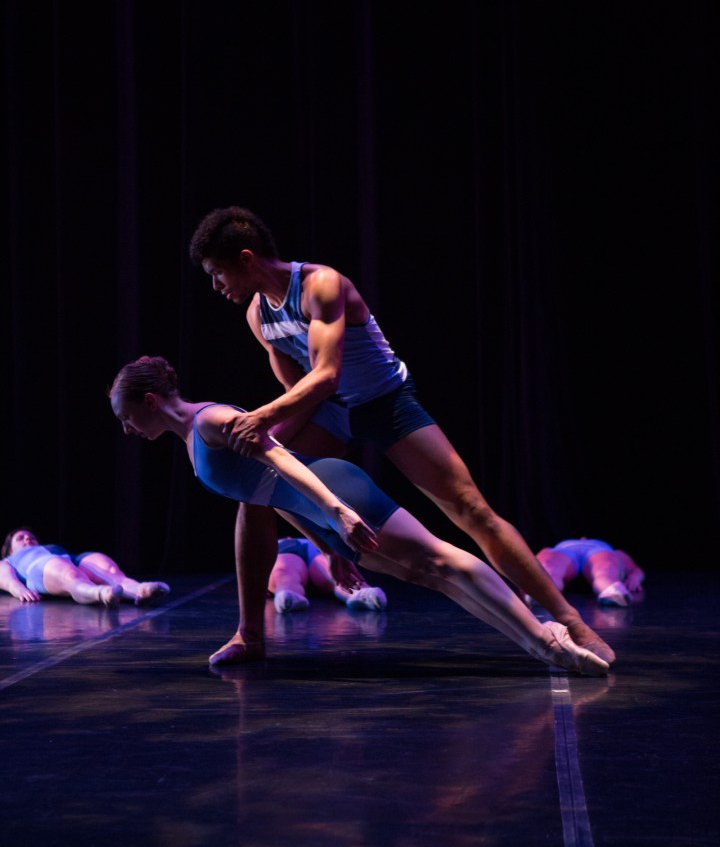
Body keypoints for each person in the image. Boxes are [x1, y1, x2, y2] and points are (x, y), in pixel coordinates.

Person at [188, 206, 615, 666]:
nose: (216, 286)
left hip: (384, 402)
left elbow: (327, 375)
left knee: (470, 509)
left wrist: (260, 418)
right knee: (255, 487)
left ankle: (569, 621)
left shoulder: (321, 285)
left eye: (217, 273)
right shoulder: (258, 314)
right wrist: (329, 536)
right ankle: (251, 635)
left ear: (247, 258)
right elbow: (300, 391)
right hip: (328, 412)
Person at [108, 354, 609, 678]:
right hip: (321, 510)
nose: (128, 430)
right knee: (431, 575)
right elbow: (271, 496)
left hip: (336, 491)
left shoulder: (211, 421)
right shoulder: (193, 443)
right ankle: (543, 641)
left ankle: (545, 640)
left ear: (150, 401)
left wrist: (338, 512)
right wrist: (327, 543)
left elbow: (283, 460)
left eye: (127, 417)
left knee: (440, 560)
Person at [0, 527, 170, 606]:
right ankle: (100, 593)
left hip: (69, 559)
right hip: (38, 569)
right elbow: (5, 578)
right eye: (20, 538)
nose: (28, 539)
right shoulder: (9, 560)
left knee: (105, 565)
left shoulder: (48, 548)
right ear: (9, 549)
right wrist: (19, 590)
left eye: (30, 536)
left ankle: (139, 590)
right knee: (67, 573)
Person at [269, 535, 387, 614]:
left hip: (305, 546)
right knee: (284, 572)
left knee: (334, 569)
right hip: (289, 547)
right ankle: (288, 595)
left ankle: (362, 593)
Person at [530, 538, 645, 607]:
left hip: (596, 551)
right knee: (549, 567)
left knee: (605, 569)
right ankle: (541, 591)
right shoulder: (555, 548)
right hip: (565, 551)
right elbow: (535, 564)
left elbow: (635, 569)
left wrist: (635, 577)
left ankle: (611, 590)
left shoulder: (608, 549)